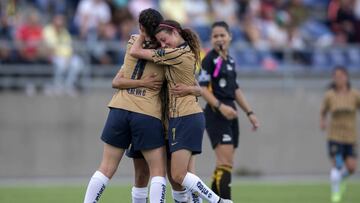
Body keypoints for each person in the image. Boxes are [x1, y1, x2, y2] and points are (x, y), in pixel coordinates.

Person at [129, 19, 233, 203]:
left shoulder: (176, 53)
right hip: (181, 117)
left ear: (175, 33)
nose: (163, 44)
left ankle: (219, 201)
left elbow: (135, 52)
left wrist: (142, 34)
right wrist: (194, 90)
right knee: (184, 175)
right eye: (160, 41)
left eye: (164, 39)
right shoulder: (184, 52)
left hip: (186, 117)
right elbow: (199, 88)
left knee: (178, 175)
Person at [83, 8, 168, 203]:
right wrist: (144, 84)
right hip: (147, 113)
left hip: (119, 110)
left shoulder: (131, 43)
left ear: (140, 27)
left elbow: (116, 82)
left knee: (105, 168)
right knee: (157, 172)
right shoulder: (165, 52)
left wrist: (142, 32)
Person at [198, 21, 259, 200]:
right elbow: (202, 89)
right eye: (215, 36)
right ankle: (225, 200)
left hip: (231, 113)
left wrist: (250, 113)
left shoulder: (230, 60)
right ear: (211, 39)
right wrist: (220, 107)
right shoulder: (209, 60)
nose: (219, 39)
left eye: (222, 35)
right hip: (216, 113)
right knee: (225, 162)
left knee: (224, 164)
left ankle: (214, 199)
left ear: (230, 37)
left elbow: (235, 89)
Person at [320, 66, 360, 203]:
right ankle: (335, 193)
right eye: (336, 77)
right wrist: (322, 122)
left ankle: (340, 180)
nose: (339, 79)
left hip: (351, 137)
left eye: (341, 76)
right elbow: (323, 111)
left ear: (346, 77)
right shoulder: (329, 95)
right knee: (337, 164)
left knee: (351, 168)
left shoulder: (355, 95)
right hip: (335, 137)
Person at [43, 13, 84, 96]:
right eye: (58, 20)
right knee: (61, 64)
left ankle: (68, 86)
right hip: (53, 56)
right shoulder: (48, 30)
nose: (60, 23)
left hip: (67, 57)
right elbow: (50, 48)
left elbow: (69, 46)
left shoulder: (64, 31)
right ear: (54, 21)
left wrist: (69, 57)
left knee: (77, 63)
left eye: (61, 21)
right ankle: (57, 86)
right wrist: (62, 57)